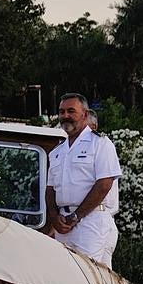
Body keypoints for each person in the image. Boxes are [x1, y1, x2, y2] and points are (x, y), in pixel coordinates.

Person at [46, 93, 122, 266]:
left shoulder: (100, 144)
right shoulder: (57, 151)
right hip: (62, 223)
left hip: (91, 220)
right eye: (62, 111)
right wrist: (53, 216)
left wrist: (76, 216)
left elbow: (104, 185)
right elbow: (50, 189)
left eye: (71, 111)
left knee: (88, 276)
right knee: (64, 277)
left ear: (85, 114)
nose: (65, 116)